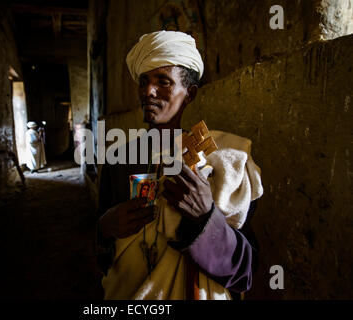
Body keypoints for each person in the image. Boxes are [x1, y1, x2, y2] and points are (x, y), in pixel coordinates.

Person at [95, 30, 263, 300]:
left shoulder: (219, 163)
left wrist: (206, 219)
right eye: (144, 81)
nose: (149, 91)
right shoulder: (119, 159)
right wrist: (105, 226)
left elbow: (244, 270)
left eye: (163, 81)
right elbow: (103, 257)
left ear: (190, 94)